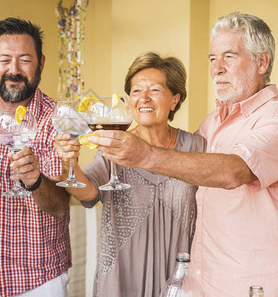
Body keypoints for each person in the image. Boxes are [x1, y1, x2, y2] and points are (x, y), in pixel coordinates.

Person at [86, 13, 278, 296]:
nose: (217, 69)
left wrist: (143, 155)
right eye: (212, 59)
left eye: (229, 56)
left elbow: (233, 171)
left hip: (249, 284)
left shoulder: (272, 117)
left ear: (262, 62)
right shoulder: (213, 123)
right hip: (198, 284)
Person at [55, 52, 206, 297]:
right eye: (136, 91)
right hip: (122, 279)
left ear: (175, 99)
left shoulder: (197, 147)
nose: (143, 98)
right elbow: (89, 192)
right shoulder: (115, 145)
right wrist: (67, 162)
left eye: (155, 90)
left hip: (179, 280)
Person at [0, 17, 71, 297]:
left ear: (41, 63)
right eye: (5, 59)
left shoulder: (58, 120)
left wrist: (35, 181)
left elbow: (60, 206)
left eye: (24, 60)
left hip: (38, 280)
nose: (14, 70)